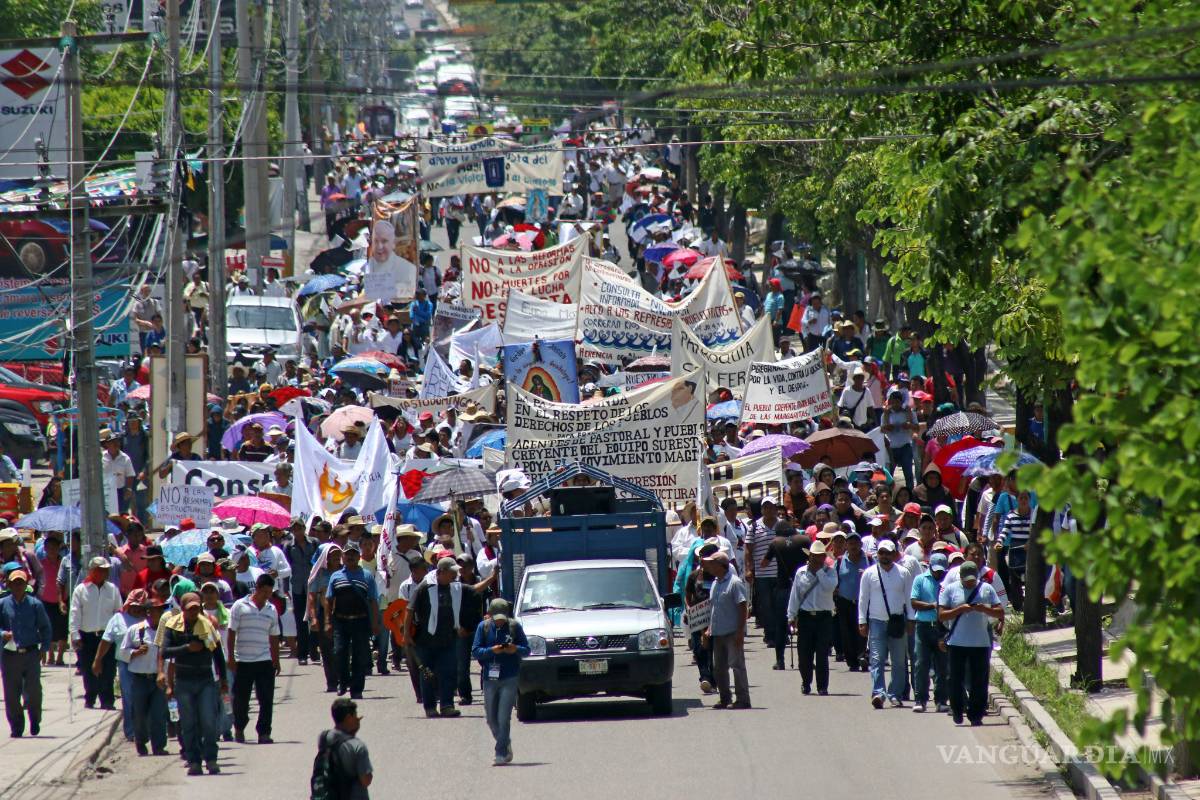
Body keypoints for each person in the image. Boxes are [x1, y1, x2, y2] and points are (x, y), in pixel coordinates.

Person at [158, 591, 227, 775]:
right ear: (183, 609)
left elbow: (218, 654)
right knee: (188, 723)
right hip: (183, 681)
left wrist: (224, 679)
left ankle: (211, 759)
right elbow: (164, 652)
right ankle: (194, 760)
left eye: (197, 608)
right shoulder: (173, 627)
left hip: (205, 680)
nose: (194, 612)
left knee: (208, 722)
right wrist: (187, 648)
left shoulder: (208, 626)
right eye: (190, 609)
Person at [938, 560, 1003, 725]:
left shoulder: (986, 589)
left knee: (979, 680)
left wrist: (984, 609)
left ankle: (976, 714)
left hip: (980, 643)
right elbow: (942, 615)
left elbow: (999, 611)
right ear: (960, 576)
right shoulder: (951, 590)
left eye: (973, 579)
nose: (970, 582)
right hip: (957, 643)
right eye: (967, 579)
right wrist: (959, 610)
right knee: (955, 679)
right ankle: (958, 709)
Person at [472, 597, 529, 766]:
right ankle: (505, 741)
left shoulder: (514, 627)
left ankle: (501, 751)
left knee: (504, 717)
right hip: (490, 678)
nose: (499, 623)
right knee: (491, 718)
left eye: (502, 619)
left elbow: (526, 650)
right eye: (496, 619)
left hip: (510, 677)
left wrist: (514, 649)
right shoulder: (483, 627)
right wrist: (492, 650)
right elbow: (476, 651)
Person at [408, 556, 467, 718]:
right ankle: (430, 707)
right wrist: (406, 635)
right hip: (425, 641)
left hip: (448, 639)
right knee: (427, 674)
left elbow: (474, 589)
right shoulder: (425, 587)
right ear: (441, 572)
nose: (454, 576)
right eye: (451, 572)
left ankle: (447, 705)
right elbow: (409, 610)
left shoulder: (454, 588)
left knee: (448, 672)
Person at [857, 539, 912, 709]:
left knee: (899, 661)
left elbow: (909, 598)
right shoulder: (869, 573)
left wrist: (911, 619)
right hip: (876, 621)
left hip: (897, 620)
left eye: (888, 553)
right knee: (876, 659)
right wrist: (862, 621)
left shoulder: (904, 573)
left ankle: (895, 694)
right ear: (877, 554)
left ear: (894, 554)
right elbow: (863, 598)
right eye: (882, 553)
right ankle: (878, 693)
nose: (885, 556)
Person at [228, 573, 282, 744]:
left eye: (270, 593)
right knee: (241, 699)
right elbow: (231, 632)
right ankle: (239, 726)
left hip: (264, 660)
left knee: (266, 698)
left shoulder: (271, 610)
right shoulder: (239, 606)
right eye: (265, 592)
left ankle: (264, 732)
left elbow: (274, 636)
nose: (267, 596)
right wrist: (231, 657)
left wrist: (276, 659)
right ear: (257, 588)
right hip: (243, 660)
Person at [0, 569, 51, 737]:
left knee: (33, 690)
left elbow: (45, 627)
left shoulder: (35, 604)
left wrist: (44, 648)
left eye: (21, 583)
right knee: (11, 693)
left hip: (30, 653)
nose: (18, 586)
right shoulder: (3, 604)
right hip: (10, 654)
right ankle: (16, 726)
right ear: (9, 585)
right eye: (14, 583)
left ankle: (35, 719)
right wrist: (3, 634)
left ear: (26, 584)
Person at [325, 543, 379, 699]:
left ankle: (356, 689)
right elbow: (329, 600)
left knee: (359, 655)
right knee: (339, 652)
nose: (350, 557)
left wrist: (375, 623)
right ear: (343, 557)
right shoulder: (335, 576)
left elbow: (373, 601)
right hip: (340, 621)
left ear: (358, 556)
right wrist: (328, 621)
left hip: (360, 621)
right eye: (347, 554)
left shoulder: (367, 575)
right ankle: (343, 681)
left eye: (354, 554)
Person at [69, 557, 122, 709]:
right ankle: (90, 697)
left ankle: (107, 700)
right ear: (92, 571)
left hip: (107, 637)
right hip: (87, 636)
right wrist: (75, 634)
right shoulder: (81, 589)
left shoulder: (112, 589)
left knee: (109, 669)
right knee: (88, 669)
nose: (103, 573)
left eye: (105, 570)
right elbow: (75, 613)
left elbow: (118, 612)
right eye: (100, 570)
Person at [786, 540, 837, 695]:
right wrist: (791, 615)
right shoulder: (801, 572)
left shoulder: (829, 571)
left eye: (820, 556)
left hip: (824, 617)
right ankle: (806, 682)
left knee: (822, 653)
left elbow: (830, 587)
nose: (816, 559)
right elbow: (795, 595)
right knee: (804, 654)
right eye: (814, 556)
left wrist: (820, 572)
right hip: (806, 616)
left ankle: (822, 686)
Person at [701, 551, 750, 709]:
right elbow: (714, 608)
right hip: (717, 633)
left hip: (732, 632)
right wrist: (709, 629)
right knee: (719, 668)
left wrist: (740, 632)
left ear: (720, 566)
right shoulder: (716, 582)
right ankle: (725, 698)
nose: (708, 566)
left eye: (711, 563)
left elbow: (743, 607)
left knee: (736, 666)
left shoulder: (735, 583)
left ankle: (742, 699)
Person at [121, 596, 169, 755]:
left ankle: (159, 745)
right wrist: (134, 652)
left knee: (158, 713)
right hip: (140, 678)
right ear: (147, 612)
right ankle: (140, 742)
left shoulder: (168, 630)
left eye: (160, 610)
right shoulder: (136, 630)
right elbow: (122, 652)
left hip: (159, 679)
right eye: (154, 611)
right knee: (139, 713)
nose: (158, 614)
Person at [910, 552, 950, 714]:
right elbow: (913, 602)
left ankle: (941, 700)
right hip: (924, 626)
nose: (939, 573)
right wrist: (932, 606)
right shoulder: (920, 579)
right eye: (936, 570)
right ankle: (920, 699)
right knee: (921, 663)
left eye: (941, 570)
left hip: (942, 627)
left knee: (942, 665)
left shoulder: (948, 581)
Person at [315, 699, 373, 799]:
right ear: (348, 718)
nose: (357, 719)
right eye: (355, 715)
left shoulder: (324, 737)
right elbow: (365, 781)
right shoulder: (358, 746)